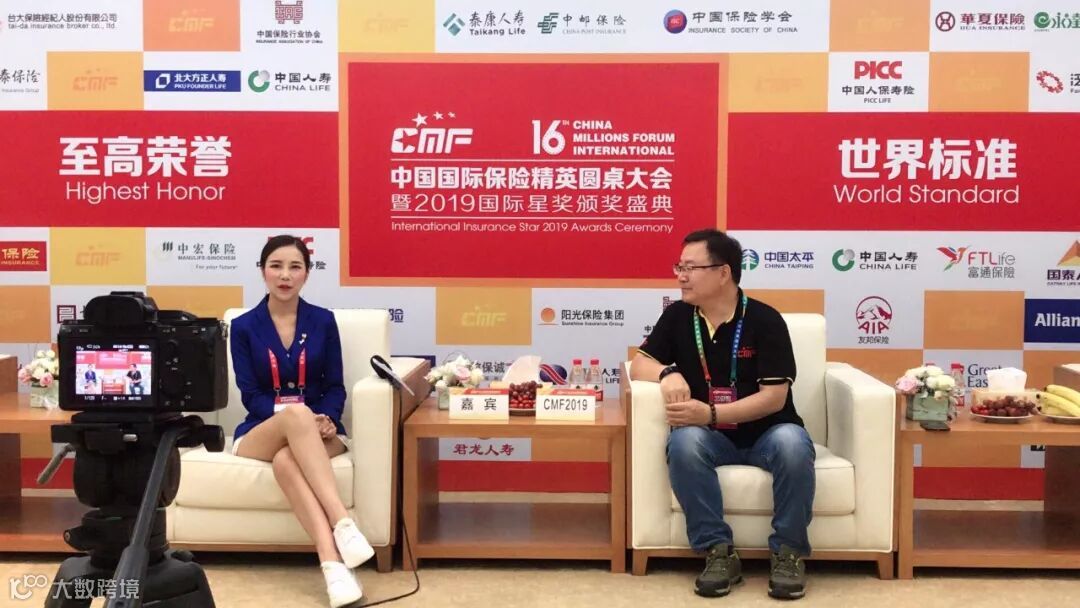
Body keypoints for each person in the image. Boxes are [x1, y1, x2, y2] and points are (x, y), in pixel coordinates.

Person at [629, 229, 814, 600]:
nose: (681, 276)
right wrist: (668, 373)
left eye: (690, 268)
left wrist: (710, 413)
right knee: (683, 443)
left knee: (794, 445)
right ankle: (718, 551)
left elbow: (774, 398)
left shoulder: (765, 320)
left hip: (768, 432)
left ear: (723, 272)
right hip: (711, 437)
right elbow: (639, 364)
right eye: (679, 267)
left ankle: (788, 552)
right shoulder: (678, 316)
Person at [230, 235, 372, 608]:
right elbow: (251, 396)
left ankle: (332, 566)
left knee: (286, 460)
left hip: (321, 429)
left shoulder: (323, 321)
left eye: (295, 267)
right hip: (261, 429)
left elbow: (335, 385)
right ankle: (344, 524)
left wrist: (326, 418)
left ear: (307, 274)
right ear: (262, 271)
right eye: (276, 266)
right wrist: (301, 417)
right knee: (295, 415)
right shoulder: (243, 326)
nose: (285, 275)